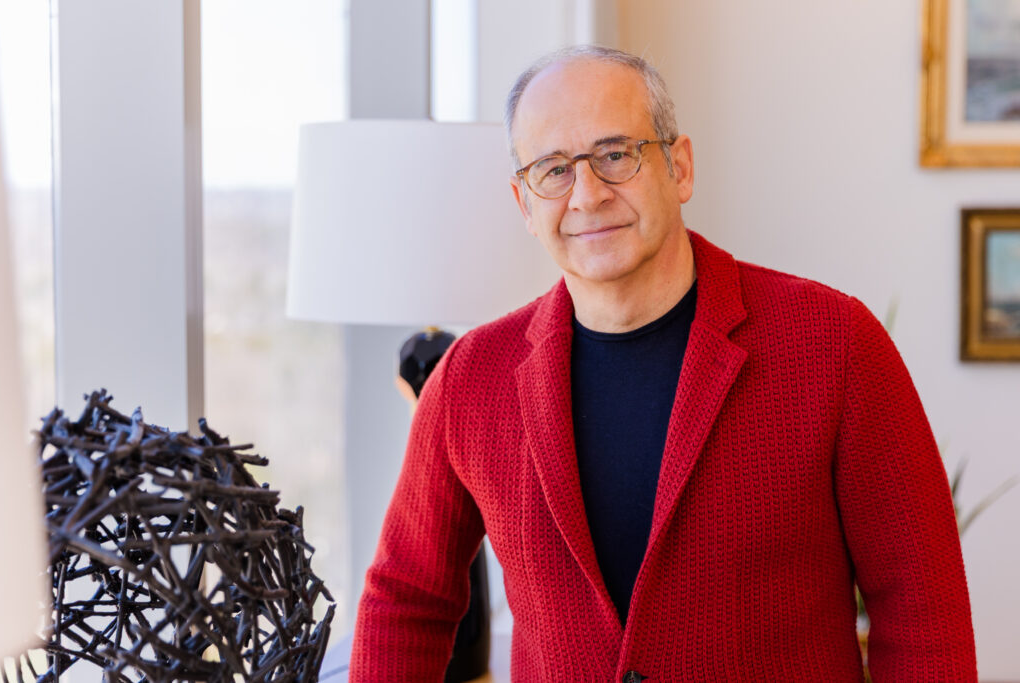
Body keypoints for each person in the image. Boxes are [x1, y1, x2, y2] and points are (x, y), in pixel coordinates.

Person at [350, 45, 976, 681]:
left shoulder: (836, 343)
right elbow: (406, 603)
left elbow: (923, 605)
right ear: (524, 204)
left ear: (679, 168)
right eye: (554, 170)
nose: (587, 195)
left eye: (616, 155)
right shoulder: (468, 379)